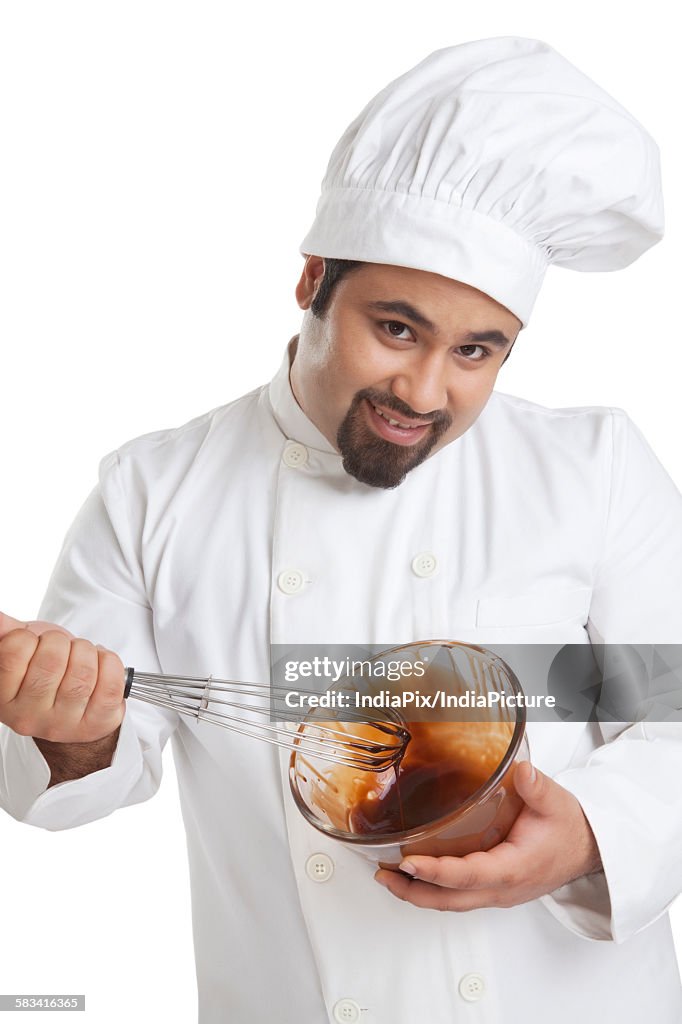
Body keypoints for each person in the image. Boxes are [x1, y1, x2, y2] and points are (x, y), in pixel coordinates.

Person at [1, 36, 682, 1024]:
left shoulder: (593, 471)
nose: (424, 390)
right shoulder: (153, 489)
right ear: (313, 277)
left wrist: (585, 837)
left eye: (476, 350)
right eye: (395, 328)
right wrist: (67, 727)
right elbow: (85, 763)